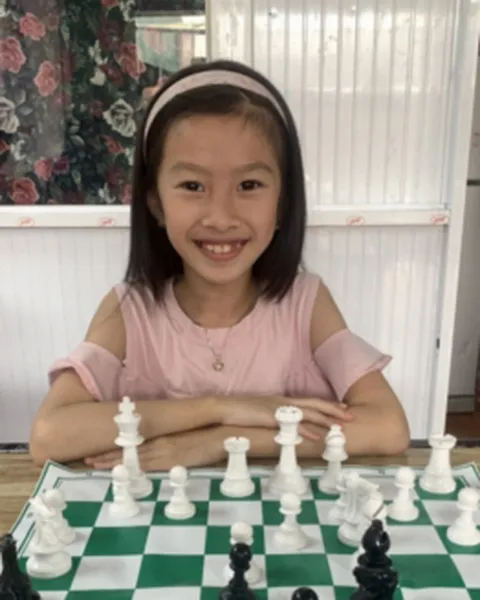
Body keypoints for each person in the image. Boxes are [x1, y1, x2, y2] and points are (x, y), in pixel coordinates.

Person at [29, 60, 410, 471]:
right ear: (156, 202)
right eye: (193, 186)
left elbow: (388, 427)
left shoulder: (306, 303)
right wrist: (220, 407)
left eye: (249, 185)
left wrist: (221, 441)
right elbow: (49, 436)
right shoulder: (129, 311)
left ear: (282, 202)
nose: (221, 217)